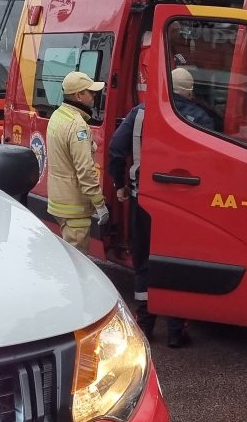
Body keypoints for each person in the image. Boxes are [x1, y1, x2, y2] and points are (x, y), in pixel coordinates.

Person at [108, 100, 191, 348]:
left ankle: (145, 323)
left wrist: (119, 185)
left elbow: (115, 148)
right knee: (178, 264)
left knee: (144, 260)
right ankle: (176, 330)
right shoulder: (196, 113)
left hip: (142, 198)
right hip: (183, 204)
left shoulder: (139, 113)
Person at [46, 71, 109, 253]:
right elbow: (86, 171)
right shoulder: (78, 125)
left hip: (59, 201)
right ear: (78, 95)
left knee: (69, 256)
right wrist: (100, 204)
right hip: (75, 206)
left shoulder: (57, 116)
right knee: (78, 264)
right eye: (90, 92)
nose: (94, 96)